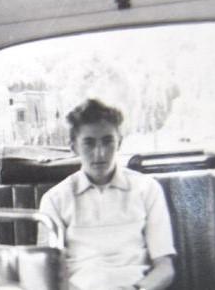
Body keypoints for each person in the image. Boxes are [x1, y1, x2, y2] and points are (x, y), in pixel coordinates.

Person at [38, 99, 176, 290]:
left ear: (119, 141)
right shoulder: (54, 199)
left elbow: (165, 268)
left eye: (107, 141)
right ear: (74, 147)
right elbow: (48, 273)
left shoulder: (148, 189)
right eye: (89, 143)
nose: (100, 153)